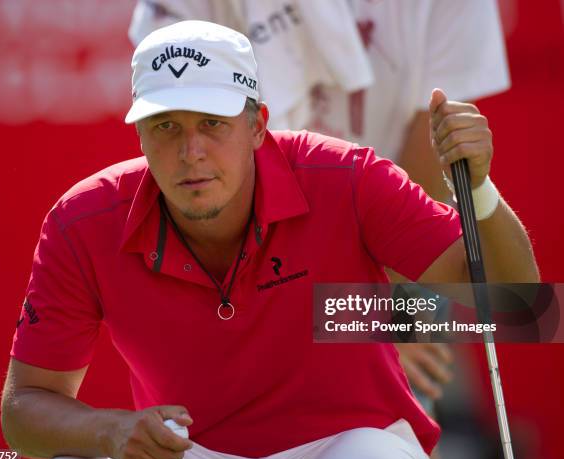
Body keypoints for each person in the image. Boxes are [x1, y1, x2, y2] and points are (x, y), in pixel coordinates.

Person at [1, 20, 538, 459]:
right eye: (165, 126)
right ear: (139, 135)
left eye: (212, 123)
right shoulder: (83, 219)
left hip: (346, 445)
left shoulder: (345, 176)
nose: (191, 152)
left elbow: (518, 305)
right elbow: (23, 410)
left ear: (258, 125)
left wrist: (481, 192)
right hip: (192, 454)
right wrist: (110, 430)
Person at [127, 0, 511, 413]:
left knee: (405, 414)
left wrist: (377, 314)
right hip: (239, 250)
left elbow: (425, 160)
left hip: (382, 242)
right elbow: (196, 153)